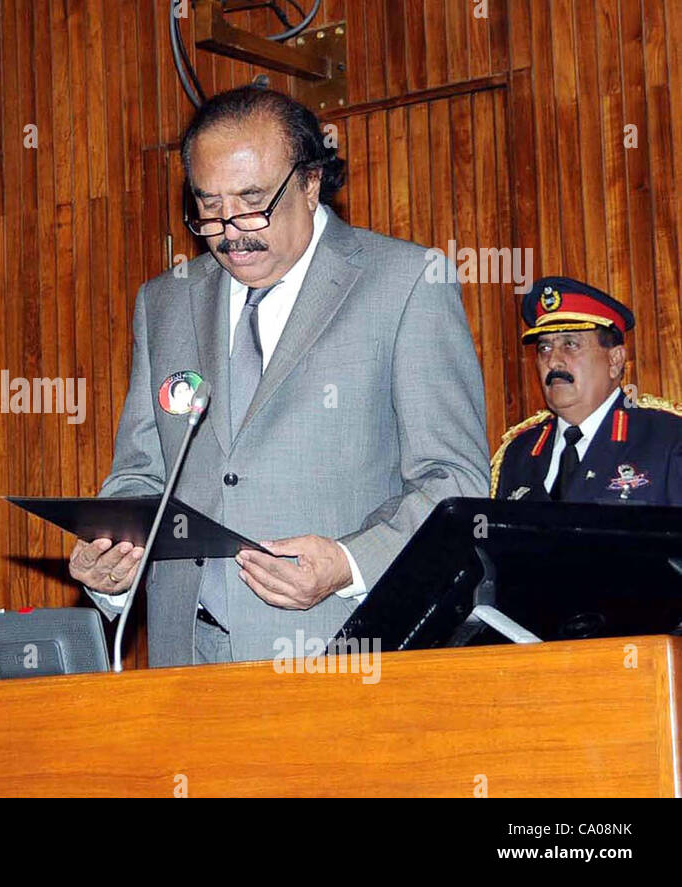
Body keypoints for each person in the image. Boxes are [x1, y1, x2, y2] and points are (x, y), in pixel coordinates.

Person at [68, 86, 490, 665]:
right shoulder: (164, 303)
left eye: (252, 199)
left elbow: (455, 482)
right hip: (181, 660)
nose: (230, 230)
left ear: (311, 182)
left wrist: (348, 562)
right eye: (208, 206)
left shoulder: (407, 282)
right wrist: (110, 560)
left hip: (342, 646)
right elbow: (142, 474)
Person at [492, 275, 682, 504]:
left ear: (615, 360)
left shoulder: (667, 440)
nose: (553, 362)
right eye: (544, 347)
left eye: (570, 344)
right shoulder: (518, 454)